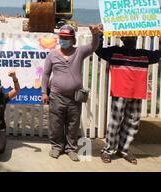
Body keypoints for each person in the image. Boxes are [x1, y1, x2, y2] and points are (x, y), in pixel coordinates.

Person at [96, 35, 161, 165]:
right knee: (115, 123)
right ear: (122, 40)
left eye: (132, 38)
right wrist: (100, 35)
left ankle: (124, 150)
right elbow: (98, 50)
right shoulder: (114, 52)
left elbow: (158, 54)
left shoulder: (143, 54)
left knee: (132, 123)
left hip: (136, 93)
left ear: (136, 39)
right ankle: (108, 150)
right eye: (128, 38)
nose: (130, 40)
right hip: (119, 92)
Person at [42, 24, 101, 161]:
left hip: (75, 97)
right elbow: (45, 75)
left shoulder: (79, 52)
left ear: (73, 40)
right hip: (57, 96)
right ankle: (56, 147)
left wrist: (95, 35)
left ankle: (71, 149)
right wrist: (44, 92)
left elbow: (93, 46)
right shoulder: (52, 55)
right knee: (55, 124)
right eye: (61, 37)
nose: (64, 40)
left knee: (73, 124)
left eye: (67, 38)